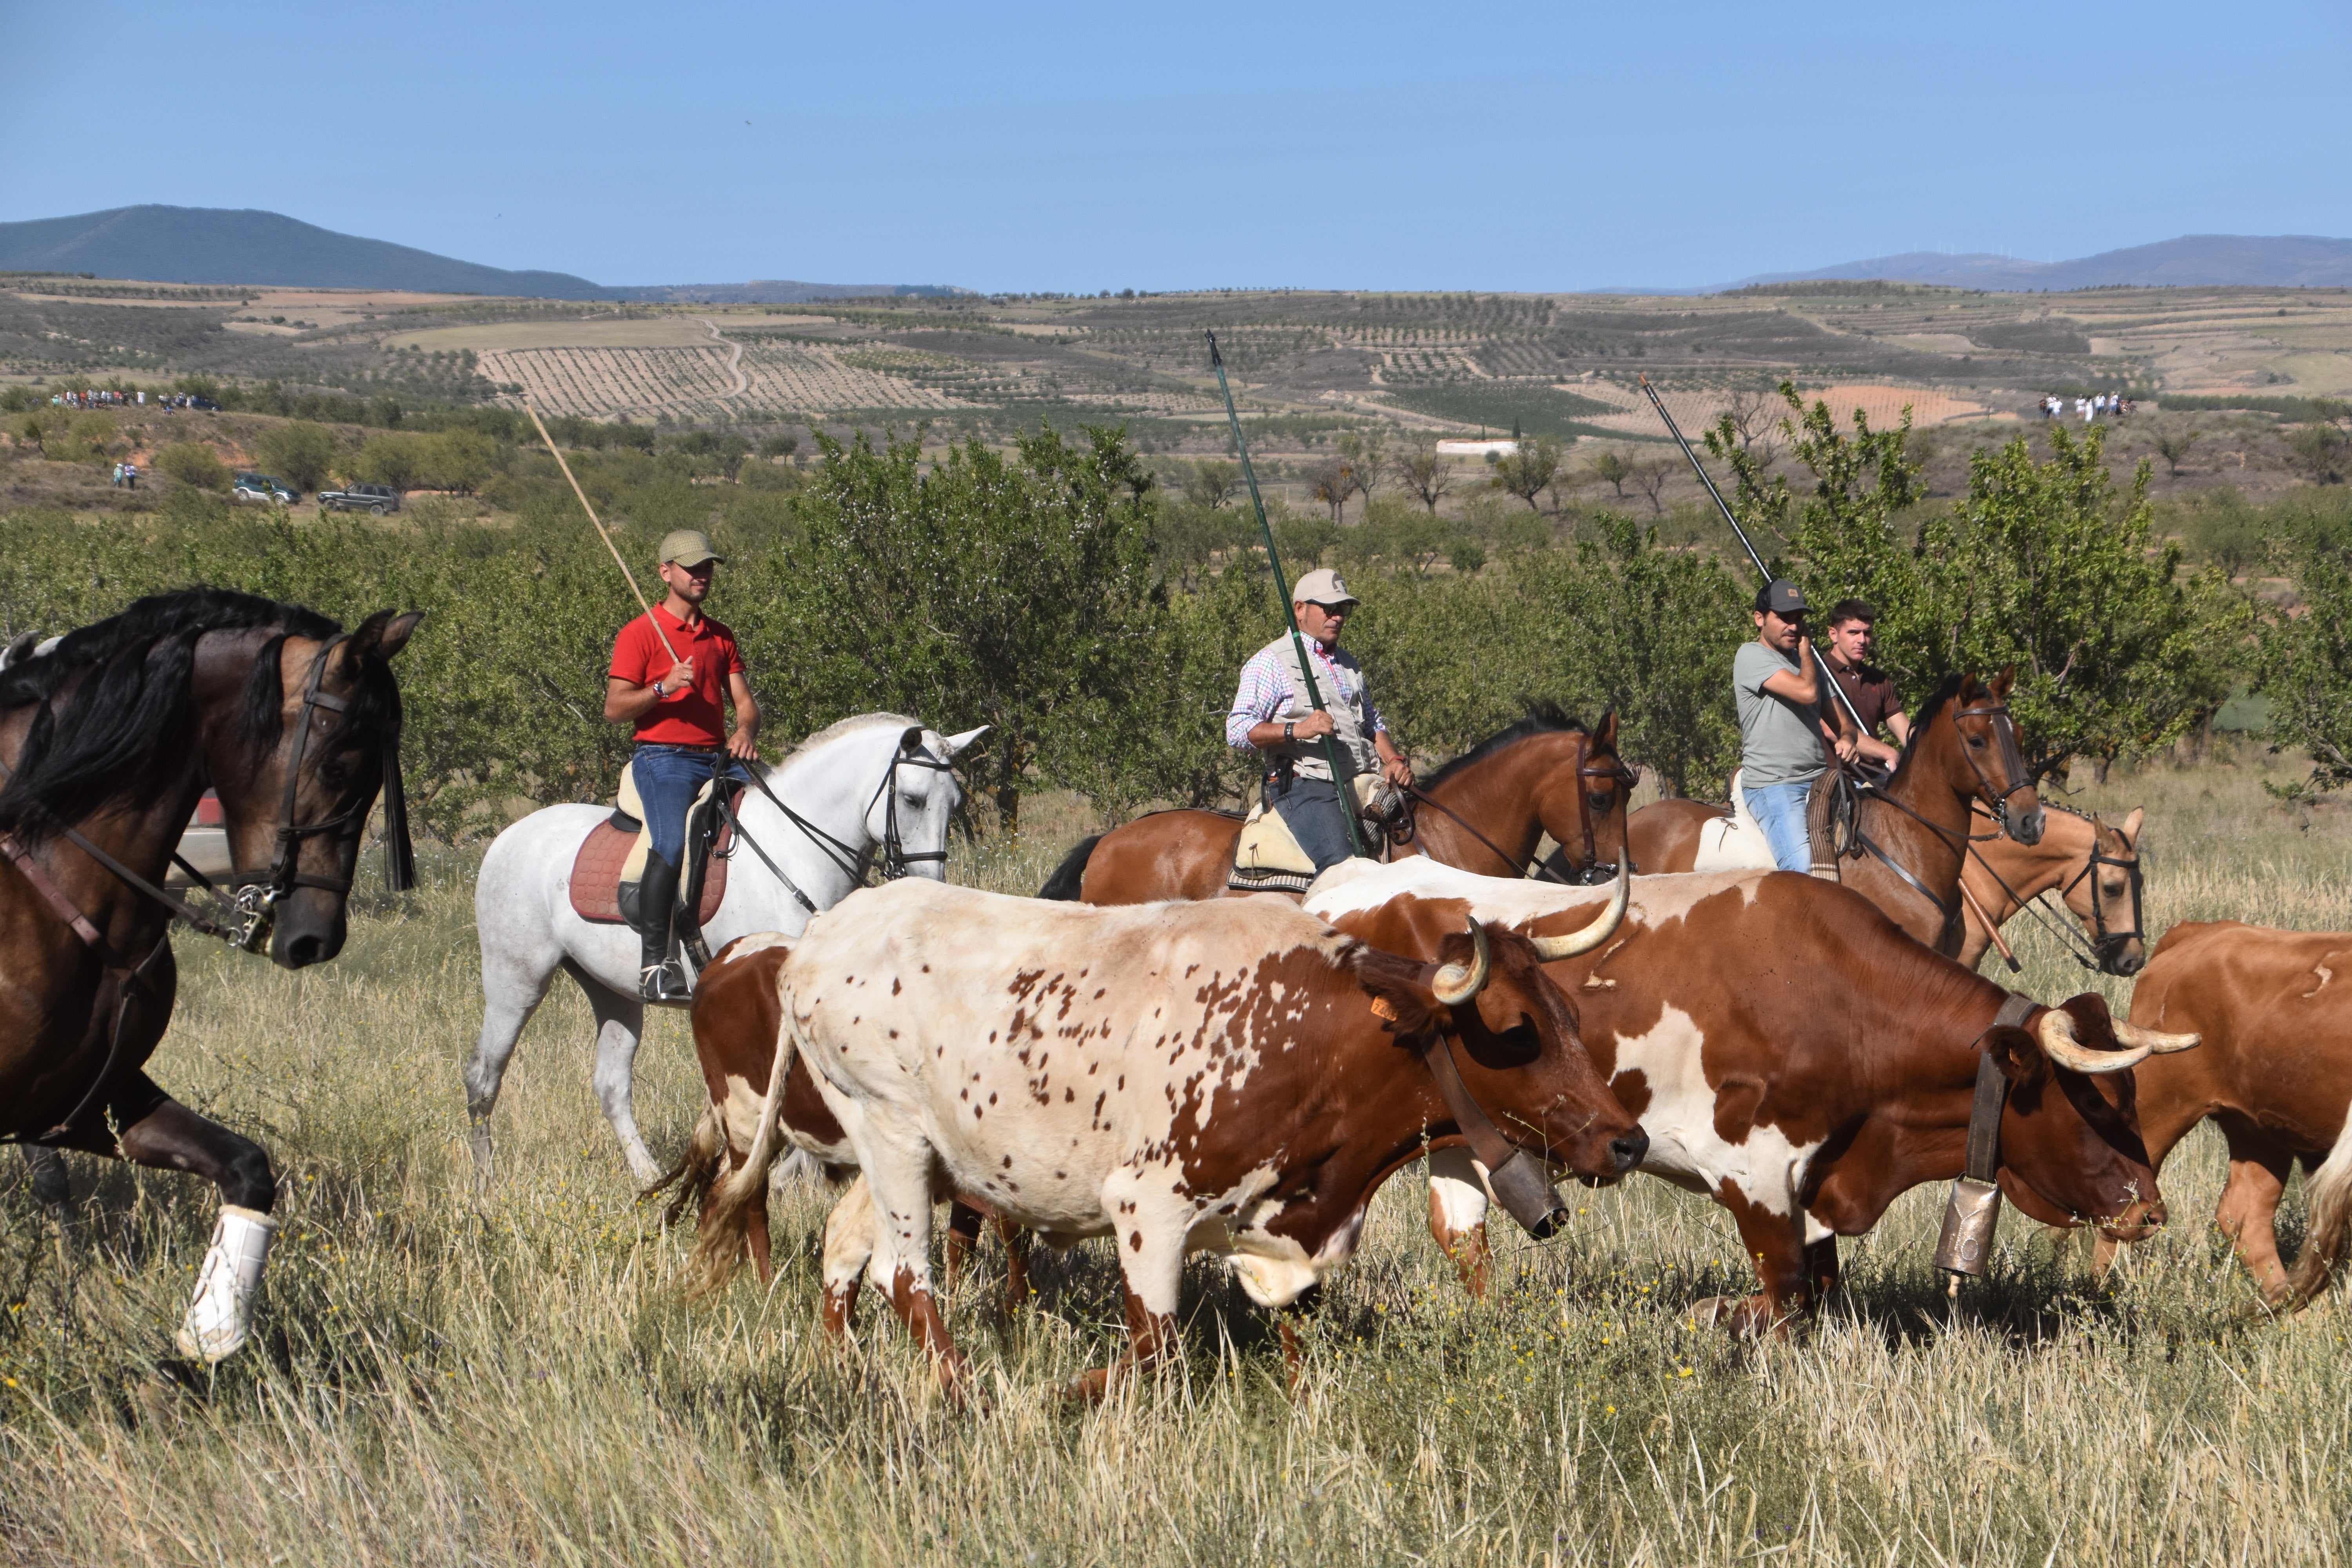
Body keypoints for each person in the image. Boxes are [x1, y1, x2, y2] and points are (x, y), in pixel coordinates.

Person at [603, 528, 760, 1000]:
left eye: (707, 566)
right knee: (671, 841)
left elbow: (746, 704)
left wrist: (745, 731)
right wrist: (661, 688)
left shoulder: (721, 637)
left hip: (718, 757)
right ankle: (655, 965)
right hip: (662, 758)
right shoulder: (639, 634)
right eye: (692, 567)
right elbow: (614, 708)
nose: (702, 575)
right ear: (665, 572)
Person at [1226, 567, 1412, 875]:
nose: (1337, 617)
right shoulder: (1271, 661)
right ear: (1300, 609)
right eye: (1329, 608)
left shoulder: (1349, 664)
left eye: (1343, 610)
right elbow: (1238, 729)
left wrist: (1393, 759)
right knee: (1345, 869)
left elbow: (1372, 723)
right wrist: (1298, 729)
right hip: (1304, 786)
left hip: (1359, 779)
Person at [1733, 579, 1853, 874]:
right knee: (1803, 868)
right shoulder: (1751, 656)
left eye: (1798, 619)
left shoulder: (1809, 669)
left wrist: (1849, 740)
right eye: (1784, 618)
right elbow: (1807, 693)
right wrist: (1807, 654)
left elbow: (1844, 724)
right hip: (1774, 786)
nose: (1793, 626)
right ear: (1759, 619)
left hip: (1819, 781)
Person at [1820, 598, 1909, 769]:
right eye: (1854, 633)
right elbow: (1832, 730)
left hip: (1878, 779)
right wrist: (1889, 753)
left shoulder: (1878, 679)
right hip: (1834, 777)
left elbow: (1905, 731)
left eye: (1867, 633)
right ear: (1834, 634)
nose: (1862, 640)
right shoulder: (1817, 674)